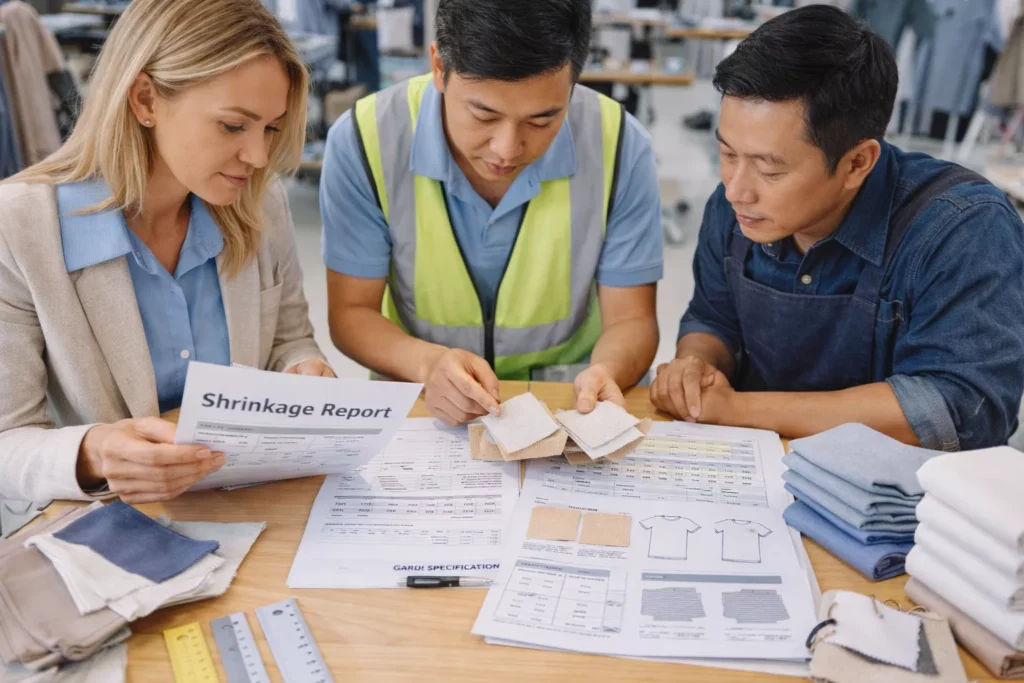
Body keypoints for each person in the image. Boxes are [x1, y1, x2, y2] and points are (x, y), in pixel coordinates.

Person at [0, 0, 332, 505]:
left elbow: (290, 341)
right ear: (145, 99)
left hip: (250, 505)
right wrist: (96, 452)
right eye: (233, 126)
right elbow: (7, 442)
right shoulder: (19, 227)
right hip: (113, 532)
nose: (259, 156)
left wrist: (301, 371)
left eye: (269, 127)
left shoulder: (260, 202)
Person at [652, 5, 1024, 451]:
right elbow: (714, 318)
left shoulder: (961, 228)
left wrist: (738, 410)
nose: (736, 190)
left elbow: (957, 407)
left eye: (769, 170)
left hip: (901, 500)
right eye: (729, 154)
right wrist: (696, 364)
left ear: (856, 163)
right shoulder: (731, 208)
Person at [320, 0, 663, 426]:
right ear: (439, 67)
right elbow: (351, 313)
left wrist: (607, 371)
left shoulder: (619, 143)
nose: (507, 148)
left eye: (542, 121)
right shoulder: (365, 138)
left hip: (569, 407)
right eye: (483, 114)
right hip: (426, 403)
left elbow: (632, 318)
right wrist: (428, 365)